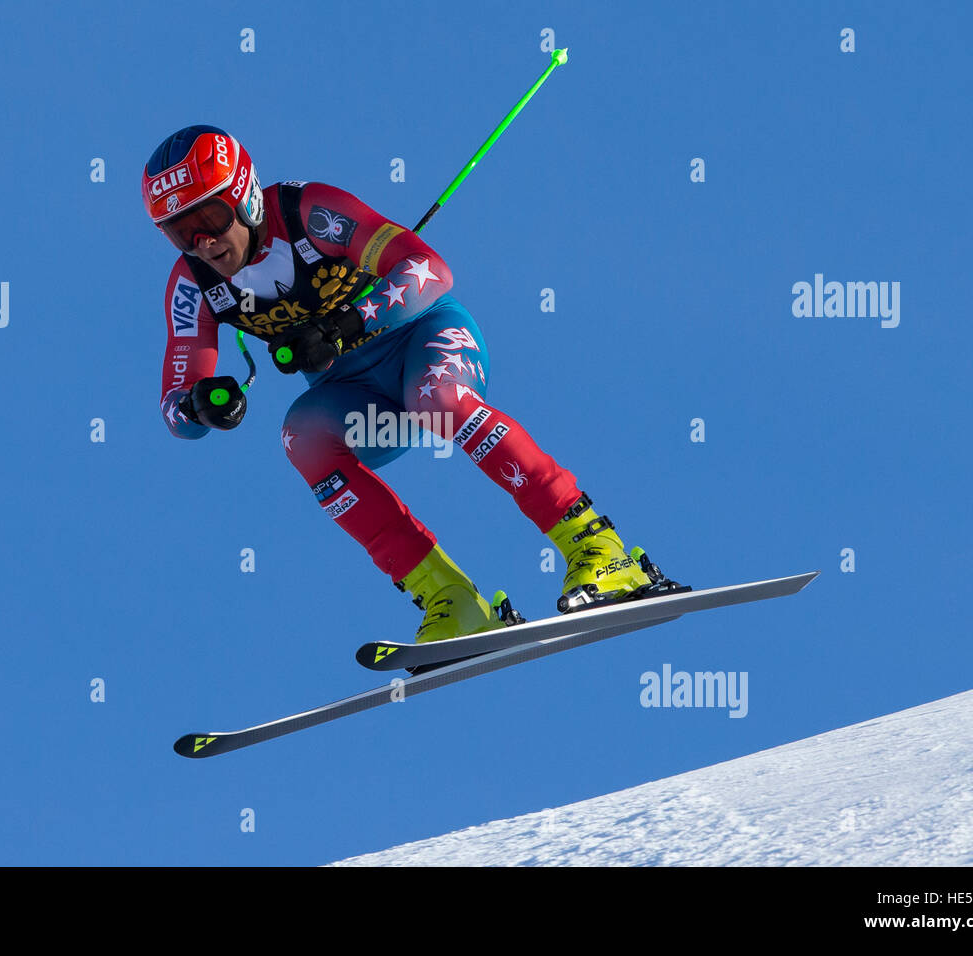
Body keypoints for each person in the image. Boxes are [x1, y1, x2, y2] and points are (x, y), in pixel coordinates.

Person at [143, 125, 678, 644]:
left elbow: (429, 267)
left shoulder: (309, 212)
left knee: (437, 398)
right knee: (300, 437)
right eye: (180, 231)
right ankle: (453, 600)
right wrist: (200, 406)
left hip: (429, 340)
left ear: (245, 197)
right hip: (366, 405)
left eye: (210, 217)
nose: (203, 241)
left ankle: (599, 547)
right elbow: (176, 407)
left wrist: (351, 322)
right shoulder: (192, 283)